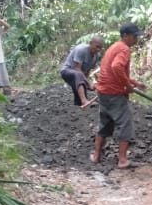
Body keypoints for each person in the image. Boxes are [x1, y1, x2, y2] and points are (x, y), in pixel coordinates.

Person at [92, 23, 147, 169]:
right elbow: (116, 67)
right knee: (125, 123)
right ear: (125, 36)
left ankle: (96, 156)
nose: (137, 39)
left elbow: (114, 70)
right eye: (135, 36)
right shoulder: (124, 49)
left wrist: (134, 83)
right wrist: (127, 87)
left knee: (105, 123)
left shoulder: (115, 46)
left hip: (103, 91)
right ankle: (122, 160)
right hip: (113, 93)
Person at [60, 36, 105, 108]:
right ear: (90, 43)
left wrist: (88, 84)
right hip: (67, 71)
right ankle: (84, 100)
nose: (98, 49)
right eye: (97, 47)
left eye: (100, 48)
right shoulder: (81, 49)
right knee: (79, 75)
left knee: (83, 81)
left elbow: (87, 71)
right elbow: (77, 68)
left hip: (78, 75)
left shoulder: (96, 56)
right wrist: (88, 83)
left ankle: (81, 103)